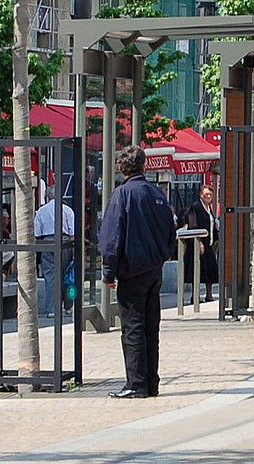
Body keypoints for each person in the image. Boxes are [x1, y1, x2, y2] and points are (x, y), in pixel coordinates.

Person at [100, 145, 176, 399]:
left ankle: (136, 383)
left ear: (121, 168)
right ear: (144, 165)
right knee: (151, 327)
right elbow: (171, 231)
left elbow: (111, 237)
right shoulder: (156, 194)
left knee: (132, 328)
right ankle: (150, 382)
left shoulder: (122, 195)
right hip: (154, 270)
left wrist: (109, 272)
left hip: (132, 271)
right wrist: (161, 257)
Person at [34, 188, 76, 314]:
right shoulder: (67, 210)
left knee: (50, 276)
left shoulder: (41, 211)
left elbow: (37, 233)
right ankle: (69, 306)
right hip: (65, 242)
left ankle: (51, 309)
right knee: (68, 275)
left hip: (47, 242)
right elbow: (73, 233)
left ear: (47, 196)